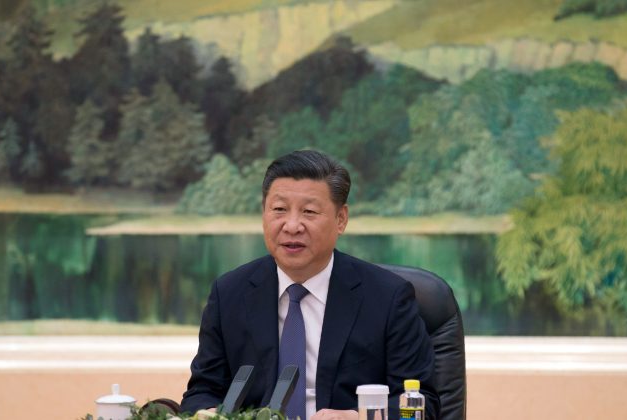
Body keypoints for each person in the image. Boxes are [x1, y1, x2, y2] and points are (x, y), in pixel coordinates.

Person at [180, 150, 440, 420]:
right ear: (264, 214)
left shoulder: (387, 297)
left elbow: (424, 405)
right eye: (279, 209)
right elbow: (202, 391)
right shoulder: (229, 293)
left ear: (341, 219)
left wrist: (358, 417)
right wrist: (208, 413)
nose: (292, 226)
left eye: (309, 212)